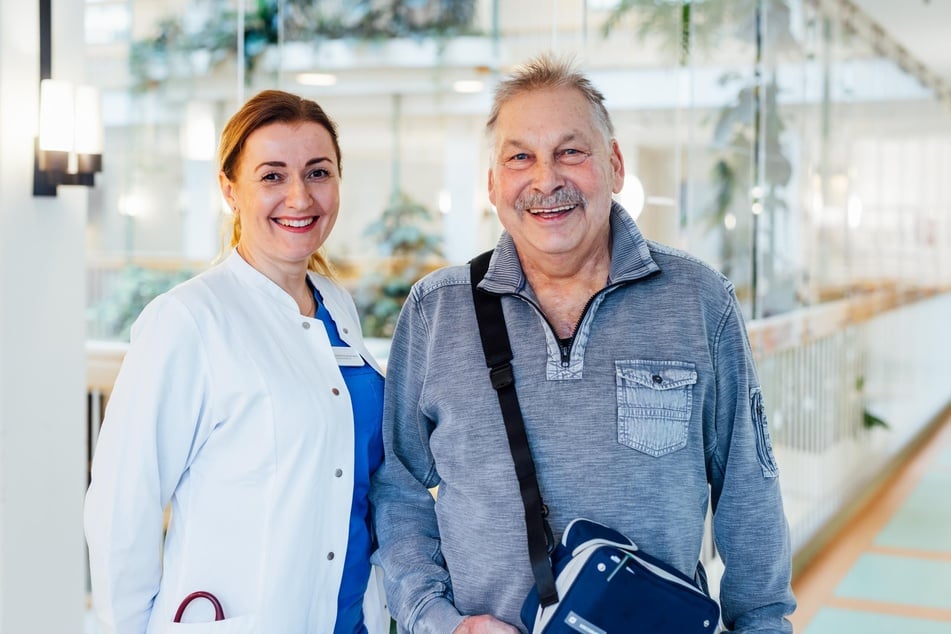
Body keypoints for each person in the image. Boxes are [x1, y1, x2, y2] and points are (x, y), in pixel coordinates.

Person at [370, 55, 796, 633]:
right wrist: (436, 619)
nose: (546, 180)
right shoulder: (438, 310)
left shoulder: (698, 301)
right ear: (493, 183)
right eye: (520, 157)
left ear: (615, 165)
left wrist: (763, 625)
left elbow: (749, 491)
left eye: (571, 152)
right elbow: (399, 487)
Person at [85, 90, 389, 633]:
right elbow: (122, 508)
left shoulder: (335, 305)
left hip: (349, 617)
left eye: (318, 173)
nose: (300, 196)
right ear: (230, 190)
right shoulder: (187, 319)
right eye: (272, 176)